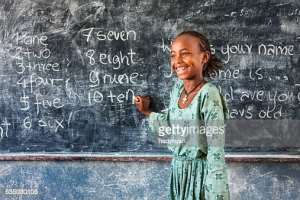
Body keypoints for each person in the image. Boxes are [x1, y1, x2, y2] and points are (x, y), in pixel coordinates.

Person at [134, 31, 230, 200]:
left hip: (201, 176)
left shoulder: (208, 95)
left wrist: (216, 194)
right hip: (178, 172)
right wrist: (147, 112)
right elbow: (172, 127)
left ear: (204, 57)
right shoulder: (178, 89)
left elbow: (216, 150)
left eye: (185, 54)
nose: (177, 61)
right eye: (173, 55)